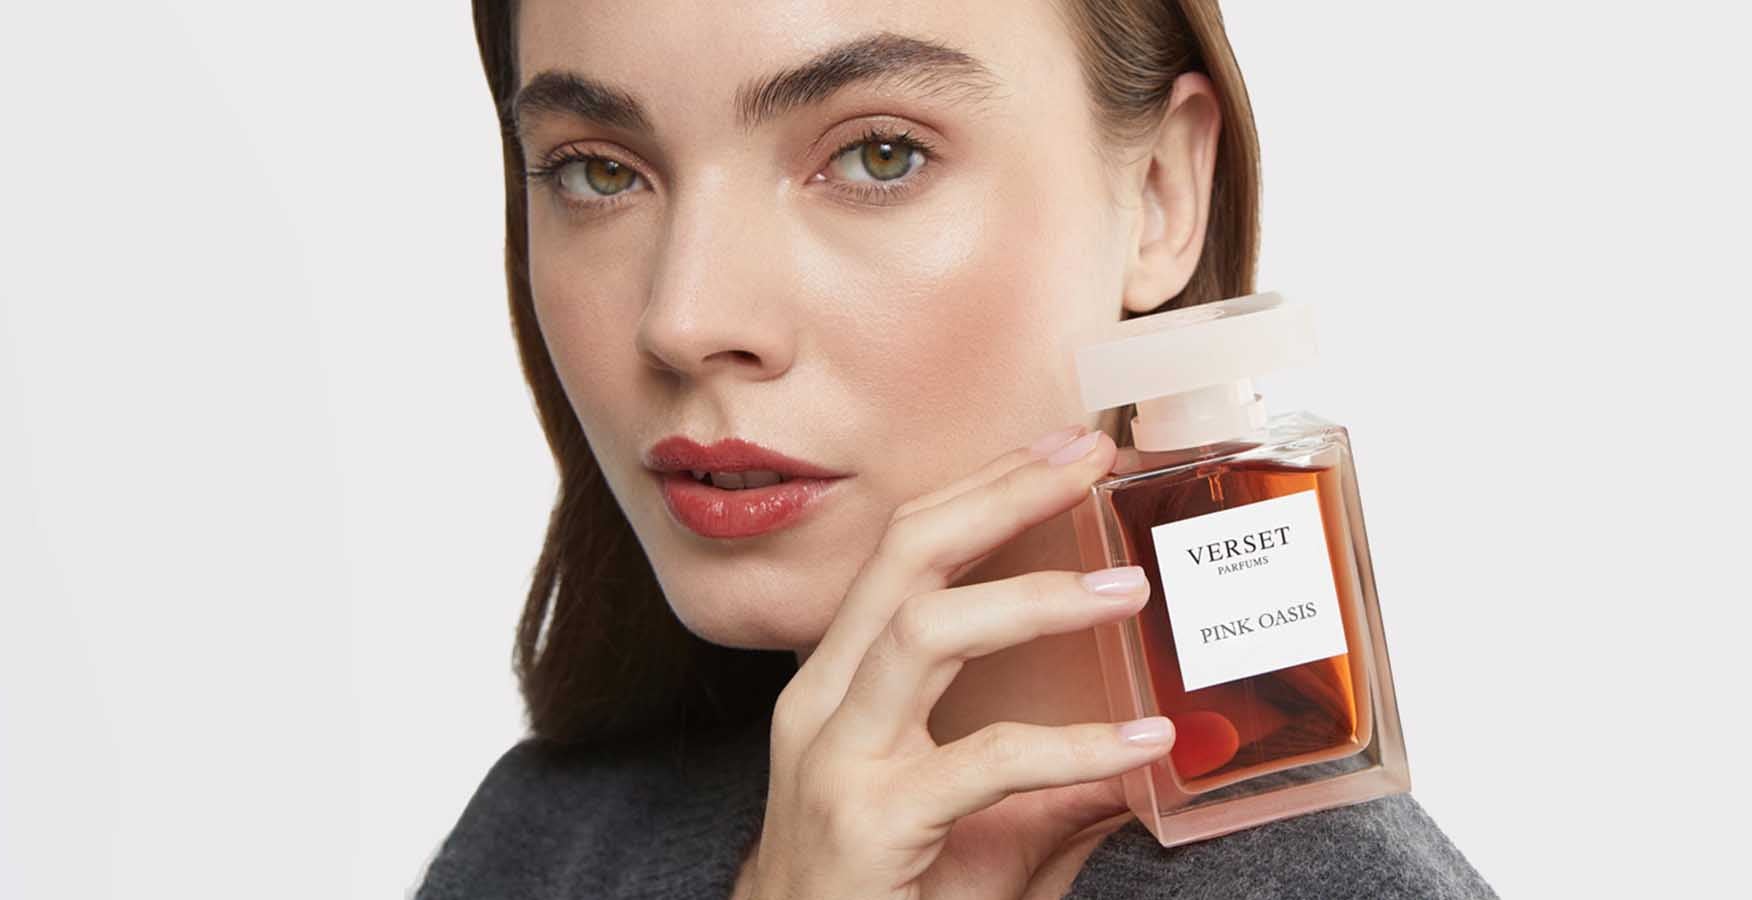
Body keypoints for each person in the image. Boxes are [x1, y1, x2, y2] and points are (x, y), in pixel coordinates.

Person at [419, 1, 1493, 897]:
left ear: (1161, 194)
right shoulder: (541, 843)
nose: (684, 318)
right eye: (597, 172)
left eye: (876, 154)